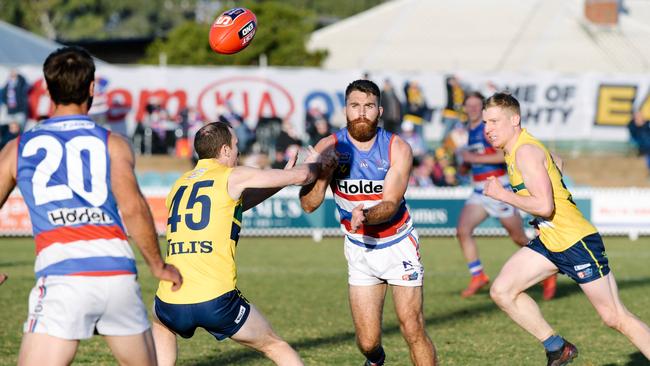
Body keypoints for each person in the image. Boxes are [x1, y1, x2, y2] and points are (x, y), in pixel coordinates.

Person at [0, 46, 182, 365]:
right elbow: (134, 208)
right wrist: (157, 265)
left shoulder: (18, 148)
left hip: (62, 276)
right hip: (117, 275)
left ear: (47, 89)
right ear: (92, 88)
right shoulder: (113, 143)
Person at [483, 92, 650, 364]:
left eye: (493, 121)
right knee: (503, 290)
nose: (488, 129)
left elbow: (545, 205)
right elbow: (557, 161)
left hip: (575, 241)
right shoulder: (516, 149)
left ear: (515, 120)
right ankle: (557, 347)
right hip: (551, 241)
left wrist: (503, 195)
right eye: (485, 123)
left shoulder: (525, 151)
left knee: (615, 317)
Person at [152, 121, 329, 366]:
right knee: (275, 346)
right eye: (235, 146)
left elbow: (234, 205)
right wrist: (318, 160)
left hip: (170, 300)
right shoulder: (232, 175)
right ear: (224, 150)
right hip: (215, 298)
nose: (237, 151)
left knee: (161, 324)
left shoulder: (180, 184)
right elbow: (302, 175)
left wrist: (279, 182)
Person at [300, 79, 436, 365]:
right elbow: (309, 204)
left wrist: (365, 216)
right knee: (367, 342)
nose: (362, 113)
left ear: (380, 110)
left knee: (412, 327)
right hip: (359, 249)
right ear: (345, 110)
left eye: (369, 107)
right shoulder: (328, 146)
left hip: (397, 244)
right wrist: (324, 173)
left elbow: (390, 203)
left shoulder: (397, 148)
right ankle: (376, 360)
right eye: (355, 106)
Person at [455, 92, 557, 299]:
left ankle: (548, 269)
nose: (473, 109)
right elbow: (476, 158)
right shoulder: (469, 131)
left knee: (518, 236)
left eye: (477, 106)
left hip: (497, 188)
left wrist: (471, 158)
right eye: (470, 106)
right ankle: (478, 275)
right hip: (479, 189)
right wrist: (466, 165)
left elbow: (502, 155)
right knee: (462, 230)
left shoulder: (489, 131)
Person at [0, 69, 29, 149]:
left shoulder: (21, 83)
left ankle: (17, 147)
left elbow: (23, 85)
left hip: (19, 111)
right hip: (10, 111)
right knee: (11, 130)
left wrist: (18, 76)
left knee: (18, 130)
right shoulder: (8, 85)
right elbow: (3, 95)